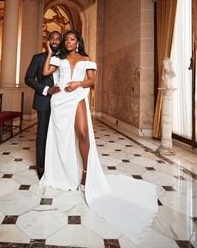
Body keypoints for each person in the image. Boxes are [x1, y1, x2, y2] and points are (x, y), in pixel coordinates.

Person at [41, 29, 158, 244]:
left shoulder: (87, 60)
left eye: (71, 39)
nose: (68, 42)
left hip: (77, 96)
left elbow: (92, 82)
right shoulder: (60, 58)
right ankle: (64, 170)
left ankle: (86, 171)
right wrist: (49, 51)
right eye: (66, 39)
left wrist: (78, 83)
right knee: (63, 138)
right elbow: (47, 71)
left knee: (83, 133)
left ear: (78, 42)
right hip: (60, 101)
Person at [25, 31, 61, 179]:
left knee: (60, 133)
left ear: (61, 41)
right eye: (52, 38)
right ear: (48, 40)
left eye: (58, 38)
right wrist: (47, 90)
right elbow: (28, 79)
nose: (55, 40)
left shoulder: (64, 58)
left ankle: (57, 164)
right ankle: (41, 165)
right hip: (44, 100)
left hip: (62, 102)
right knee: (43, 133)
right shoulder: (38, 58)